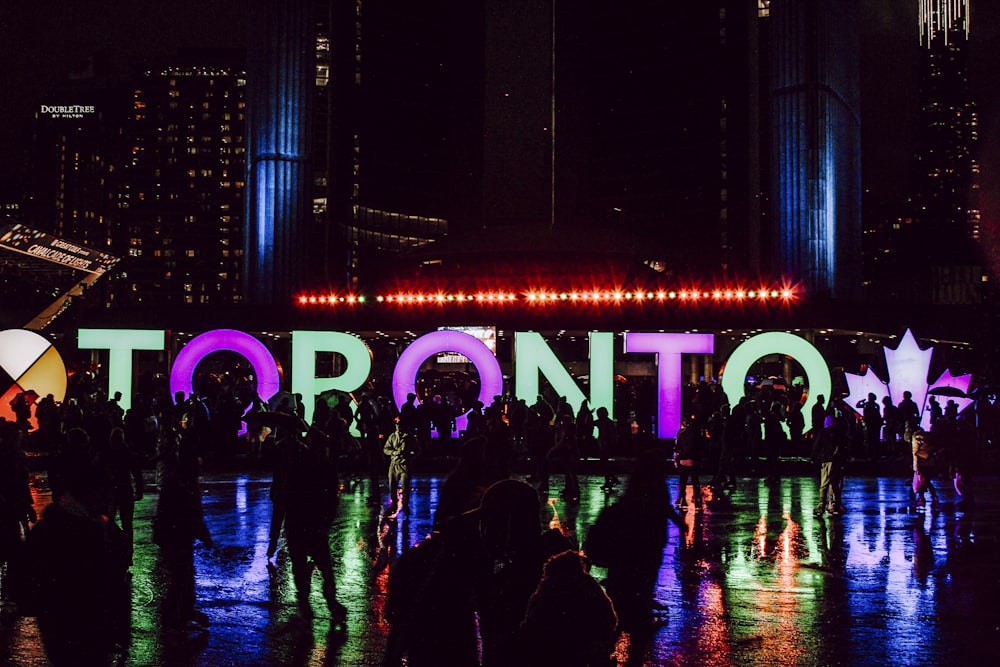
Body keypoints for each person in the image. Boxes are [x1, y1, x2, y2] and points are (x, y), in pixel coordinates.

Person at [19, 445, 130, 666]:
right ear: (91, 494)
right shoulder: (94, 530)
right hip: (75, 627)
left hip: (73, 626)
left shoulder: (92, 527)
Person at [584, 455, 683, 664]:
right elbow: (664, 509)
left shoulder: (631, 497)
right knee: (637, 610)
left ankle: (603, 652)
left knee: (621, 606)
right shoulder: (655, 493)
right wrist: (677, 523)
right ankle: (628, 653)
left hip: (627, 560)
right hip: (646, 555)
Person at [280, 430, 347, 626]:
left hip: (299, 524)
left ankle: (307, 604)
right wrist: (325, 520)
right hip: (313, 524)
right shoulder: (324, 467)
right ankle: (329, 603)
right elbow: (331, 498)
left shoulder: (298, 466)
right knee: (324, 568)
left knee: (302, 567)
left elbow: (289, 495)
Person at [153, 419, 213, 630]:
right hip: (177, 536)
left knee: (184, 574)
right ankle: (173, 615)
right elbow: (191, 513)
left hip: (177, 536)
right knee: (182, 576)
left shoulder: (181, 481)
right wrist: (204, 535)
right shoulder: (182, 483)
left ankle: (181, 612)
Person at [518, 550, 618, 667]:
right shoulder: (588, 585)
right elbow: (610, 618)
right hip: (584, 650)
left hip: (551, 649)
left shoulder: (548, 586)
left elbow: (531, 620)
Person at [383, 418, 419, 518]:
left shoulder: (410, 437)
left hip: (405, 464)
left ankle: (405, 505)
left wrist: (409, 455)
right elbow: (386, 449)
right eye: (397, 425)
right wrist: (394, 452)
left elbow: (417, 451)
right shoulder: (393, 436)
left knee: (405, 486)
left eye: (400, 425)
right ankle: (394, 504)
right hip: (394, 464)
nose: (398, 427)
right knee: (392, 486)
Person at [812, 415, 840, 516]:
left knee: (824, 484)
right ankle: (833, 505)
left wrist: (813, 457)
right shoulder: (837, 433)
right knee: (834, 484)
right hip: (836, 461)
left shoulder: (823, 433)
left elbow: (817, 446)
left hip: (826, 460)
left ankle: (821, 506)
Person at [673, 415, 703, 509]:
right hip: (693, 460)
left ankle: (682, 498)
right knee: (695, 480)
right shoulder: (696, 434)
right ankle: (697, 499)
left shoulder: (681, 433)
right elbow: (699, 448)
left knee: (683, 480)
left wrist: (676, 458)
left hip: (683, 460)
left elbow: (677, 447)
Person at [911, 426, 940, 510]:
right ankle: (932, 498)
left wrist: (916, 466)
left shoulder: (915, 438)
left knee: (921, 482)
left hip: (922, 464)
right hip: (930, 463)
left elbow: (915, 452)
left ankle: (923, 499)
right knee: (926, 481)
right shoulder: (927, 438)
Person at [595, 406, 620, 491]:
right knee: (604, 463)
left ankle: (611, 479)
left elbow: (589, 423)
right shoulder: (608, 422)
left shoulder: (604, 422)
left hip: (605, 445)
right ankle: (611, 479)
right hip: (605, 445)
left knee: (603, 463)